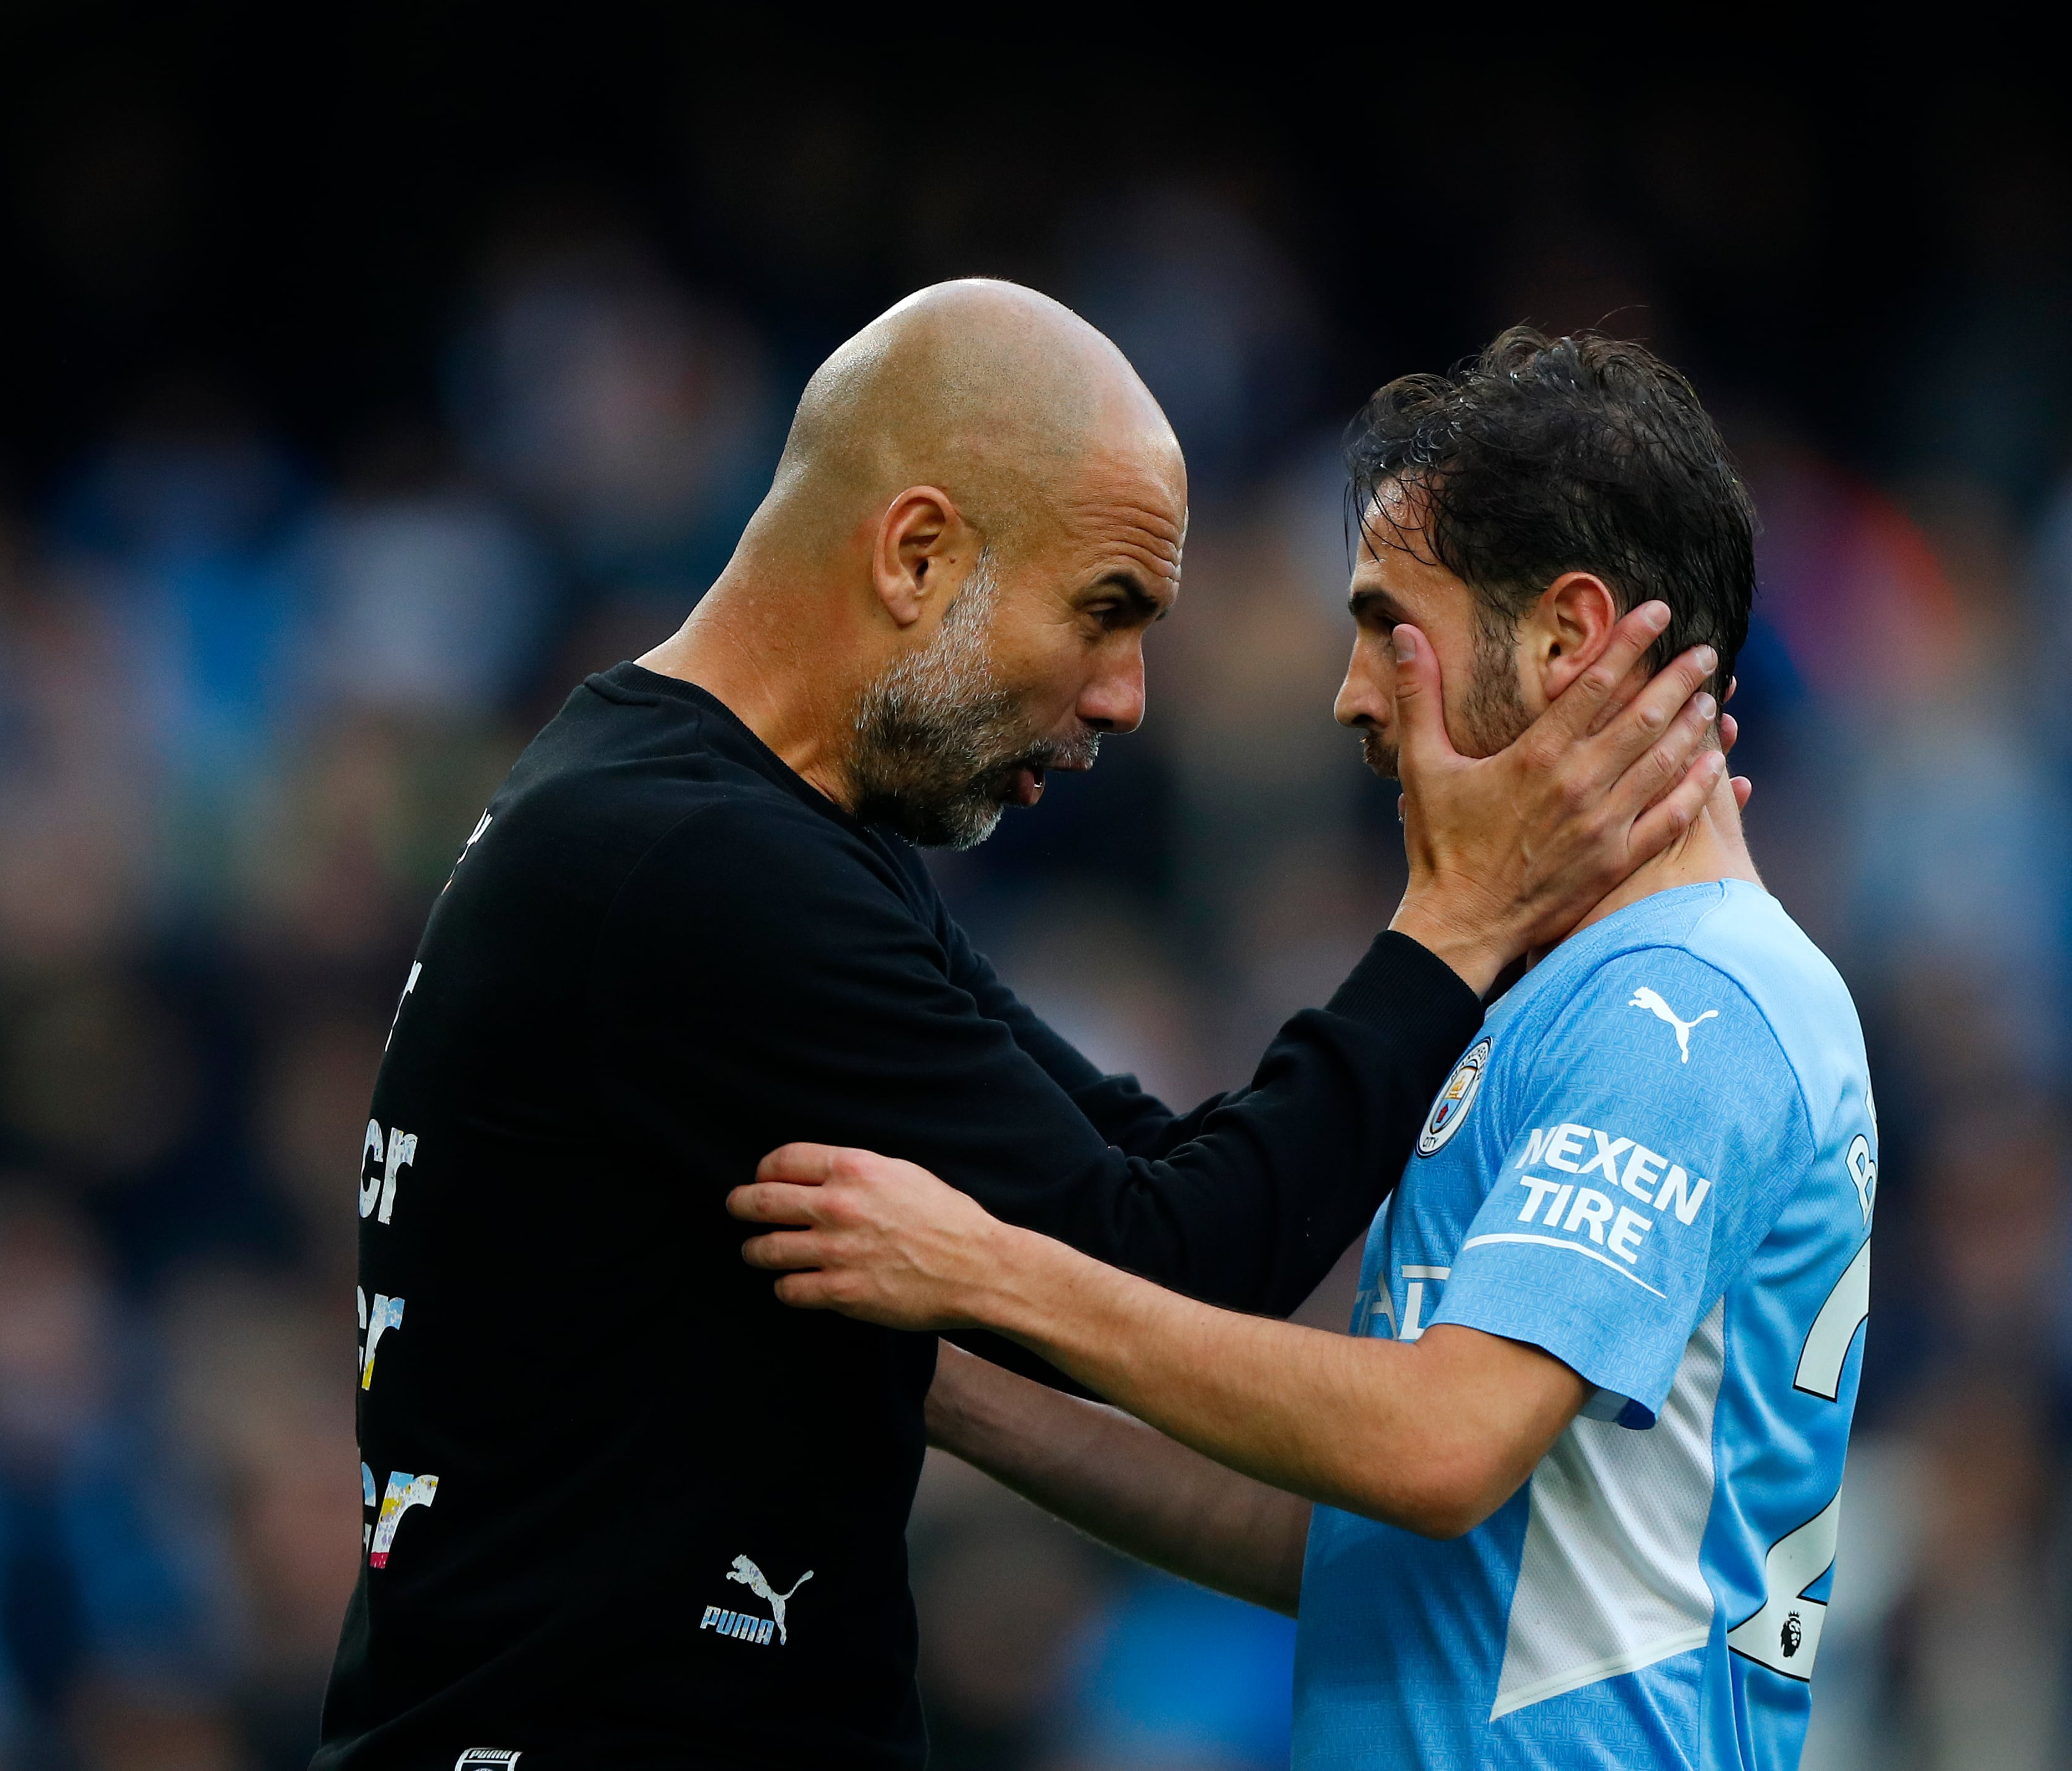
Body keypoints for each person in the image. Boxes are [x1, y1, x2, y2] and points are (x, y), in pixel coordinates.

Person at [316, 286, 1733, 1768]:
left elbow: (1151, 1173)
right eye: (1106, 610)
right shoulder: (692, 868)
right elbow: (1178, 1253)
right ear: (918, 553)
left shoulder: (728, 826)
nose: (1125, 698)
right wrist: (1456, 922)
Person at [730, 329, 1875, 1771]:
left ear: (1569, 638)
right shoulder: (1579, 994)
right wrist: (943, 1374)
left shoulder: (1693, 1001)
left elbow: (1437, 1446)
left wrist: (988, 1266)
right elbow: (1357, 1541)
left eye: (1389, 619)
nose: (1349, 692)